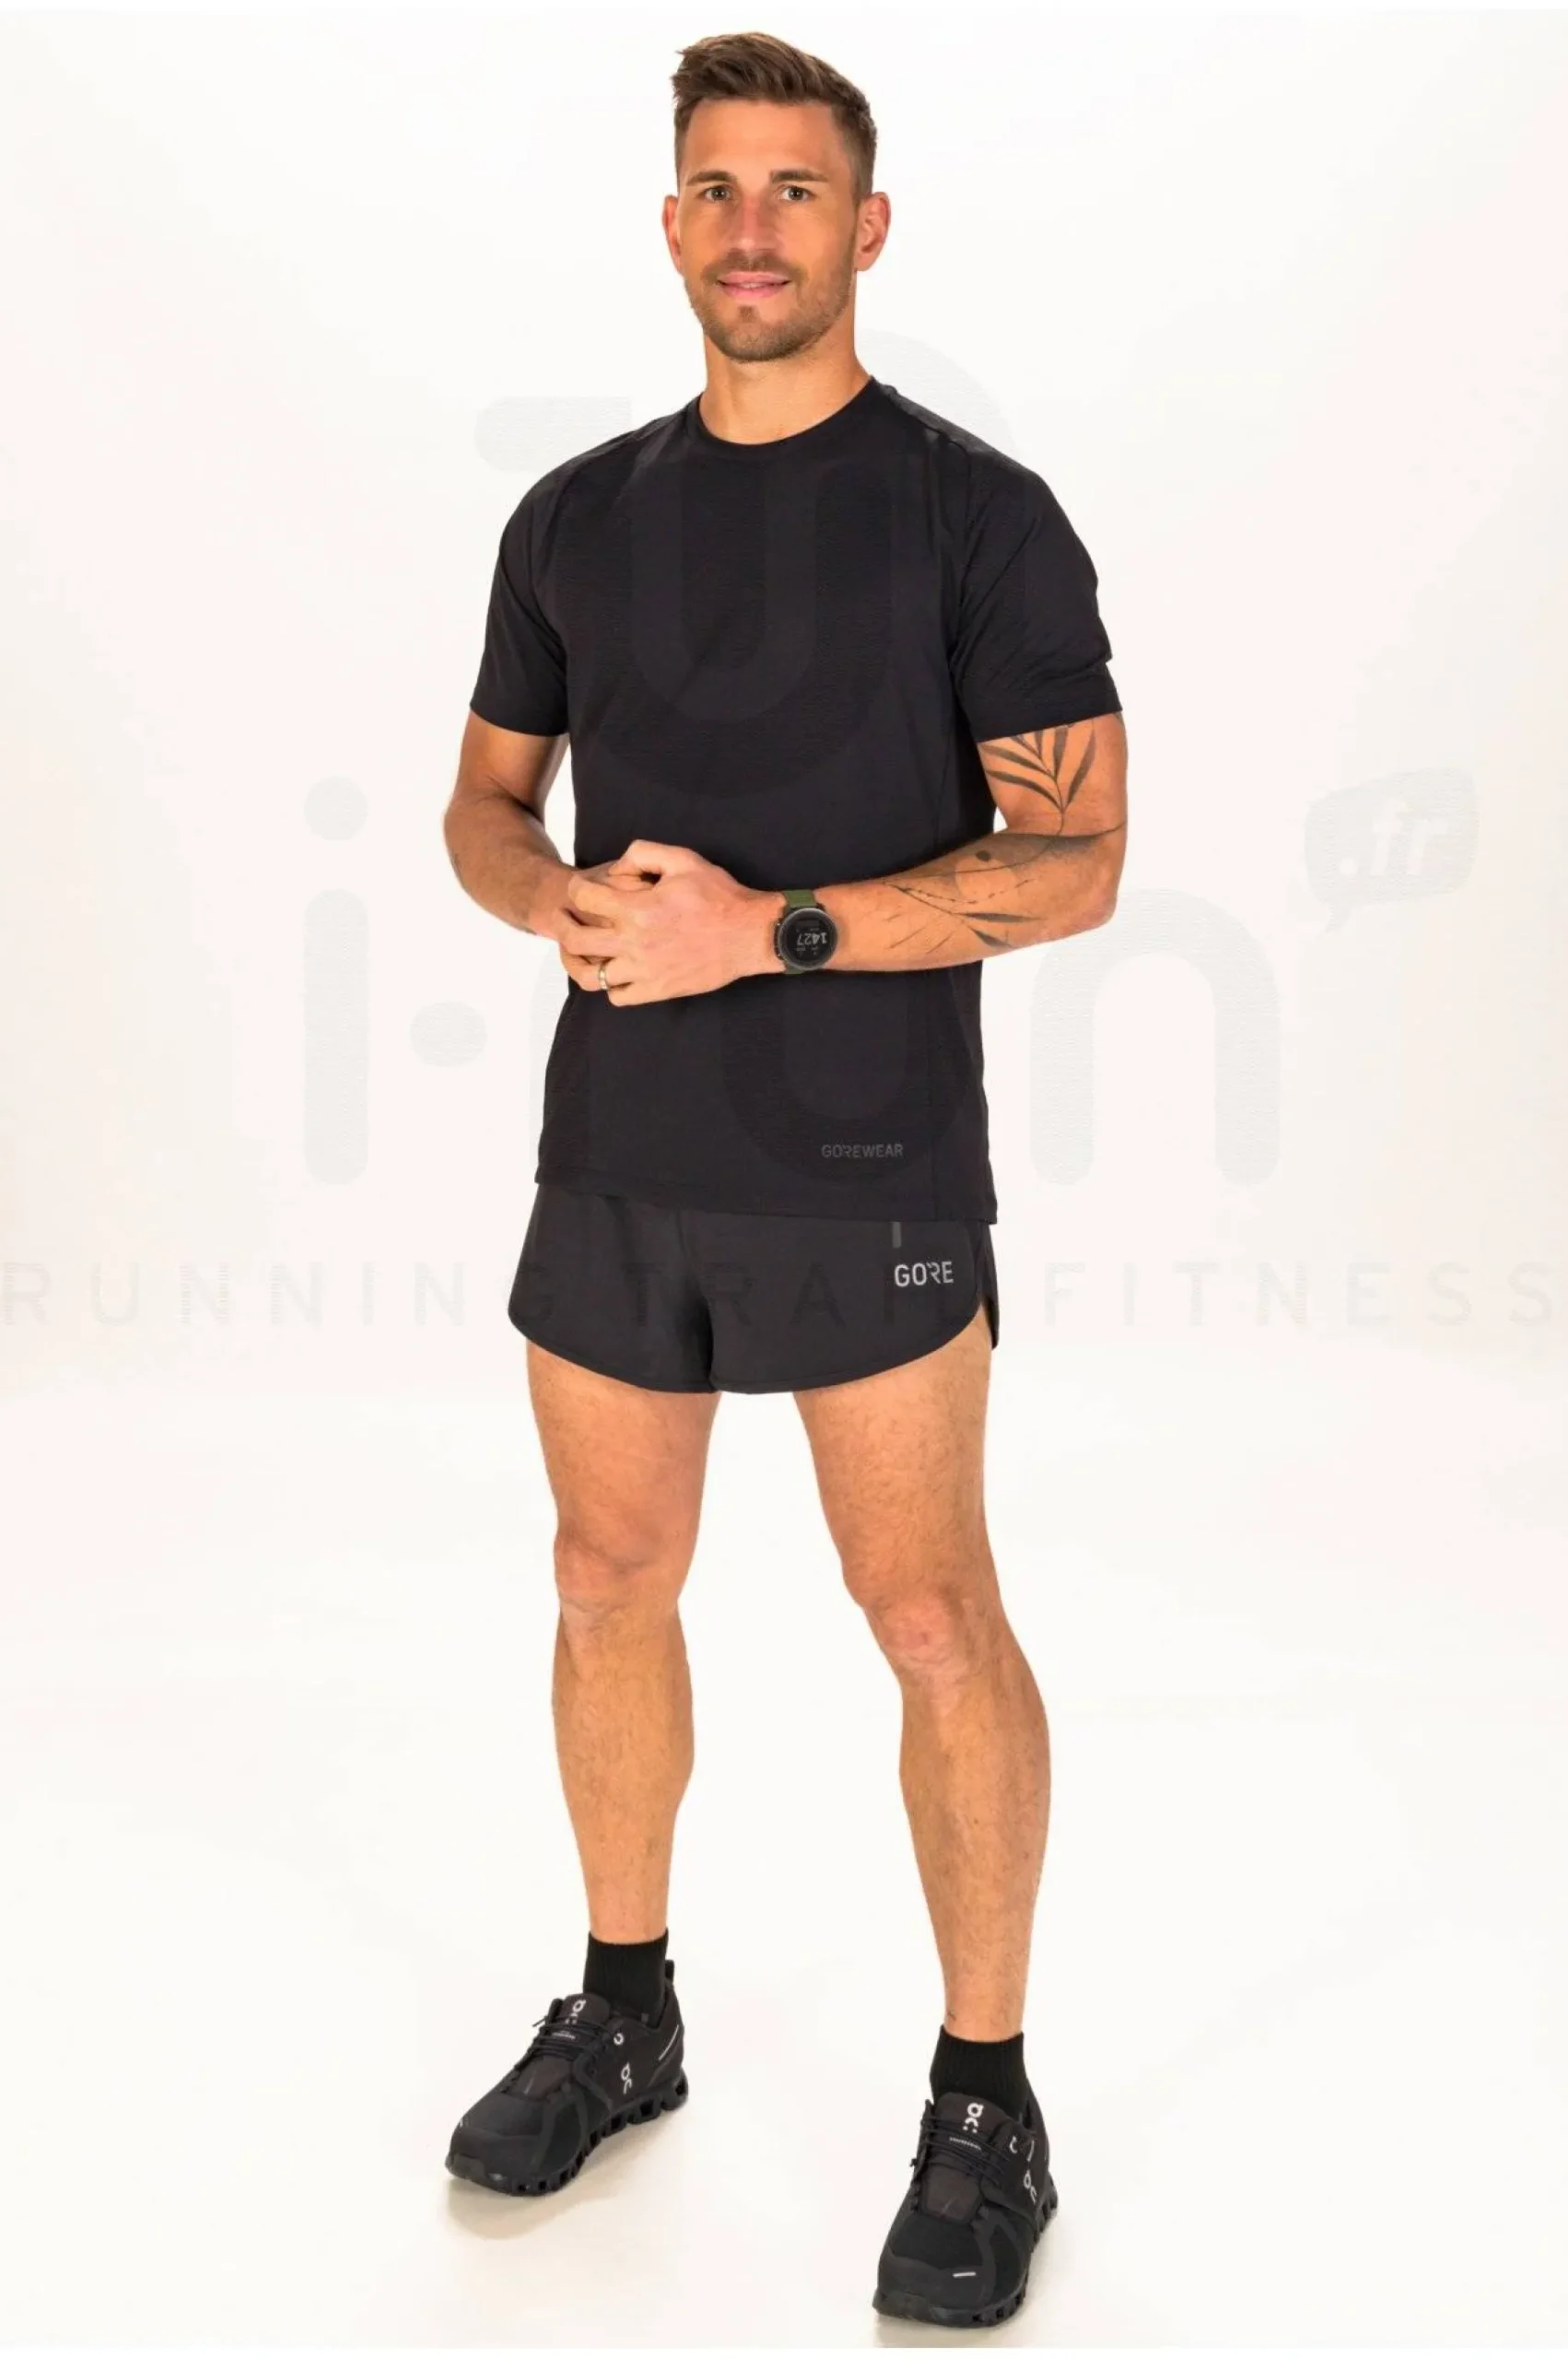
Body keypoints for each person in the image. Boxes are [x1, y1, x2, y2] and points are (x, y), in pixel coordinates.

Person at [440, 28, 1127, 2330]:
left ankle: (985, 2096)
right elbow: (481, 801)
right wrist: (549, 898)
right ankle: (623, 2006)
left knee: (924, 1613)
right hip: (615, 1149)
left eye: (797, 191)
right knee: (602, 1573)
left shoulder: (971, 512)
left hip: (868, 1154)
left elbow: (1078, 857)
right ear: (670, 225)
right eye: (717, 189)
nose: (754, 229)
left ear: (866, 226)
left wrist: (769, 931)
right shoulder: (573, 515)